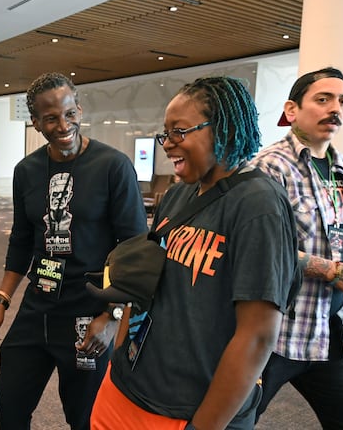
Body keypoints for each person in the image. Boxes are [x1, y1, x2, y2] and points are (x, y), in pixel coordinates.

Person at [88, 76, 299, 430]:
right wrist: (118, 357)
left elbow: (257, 336)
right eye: (165, 133)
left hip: (185, 410)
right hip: (125, 389)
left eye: (179, 131)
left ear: (222, 129)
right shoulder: (178, 194)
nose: (168, 144)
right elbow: (146, 285)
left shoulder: (259, 204)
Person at [0, 72, 147, 430]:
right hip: (38, 307)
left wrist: (112, 316)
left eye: (69, 113)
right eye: (51, 118)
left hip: (89, 313)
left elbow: (134, 250)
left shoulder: (112, 166)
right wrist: (0, 304)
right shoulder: (27, 171)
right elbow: (21, 241)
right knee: (10, 409)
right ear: (36, 122)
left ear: (79, 110)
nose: (63, 125)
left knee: (83, 418)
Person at [250, 67, 343, 429]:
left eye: (342, 101)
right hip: (279, 332)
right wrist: (332, 271)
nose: (335, 109)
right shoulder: (269, 167)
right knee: (234, 418)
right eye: (322, 99)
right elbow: (258, 249)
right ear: (292, 110)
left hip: (331, 334)